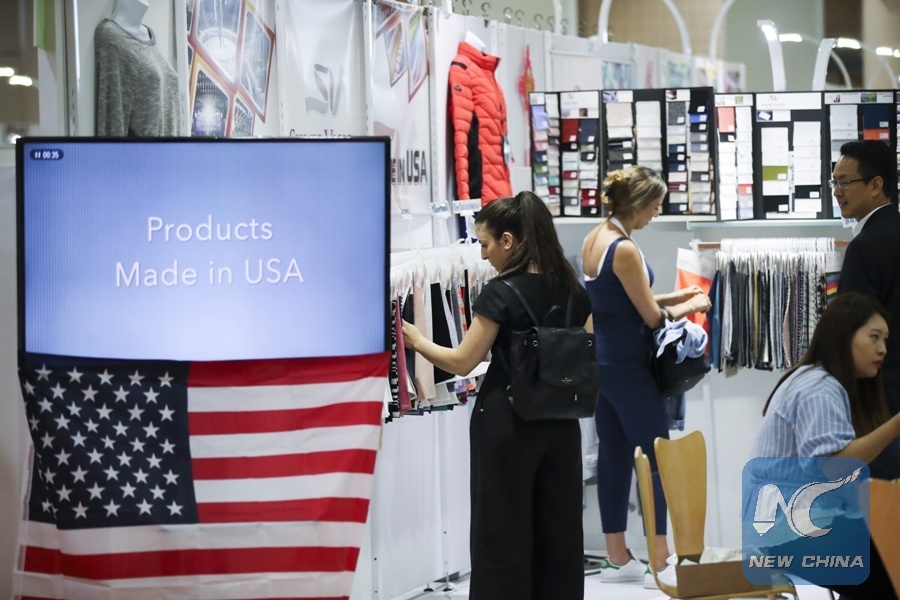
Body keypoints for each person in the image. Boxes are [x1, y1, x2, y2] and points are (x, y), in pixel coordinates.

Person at [402, 191, 591, 600]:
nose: (483, 255)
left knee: (500, 534)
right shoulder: (574, 290)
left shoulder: (500, 293)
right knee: (559, 534)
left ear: (508, 240)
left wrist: (417, 341)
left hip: (508, 424)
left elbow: (462, 362)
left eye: (485, 244)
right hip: (561, 426)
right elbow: (585, 354)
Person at [581, 165, 710, 588]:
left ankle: (617, 557)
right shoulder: (624, 248)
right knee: (657, 459)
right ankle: (660, 559)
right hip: (629, 367)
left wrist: (678, 295)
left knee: (615, 456)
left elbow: (624, 301)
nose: (656, 214)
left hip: (603, 364)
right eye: (654, 207)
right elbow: (652, 317)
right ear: (637, 204)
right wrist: (692, 307)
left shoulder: (596, 239)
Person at [749, 292, 900, 600]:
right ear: (844, 336)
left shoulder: (817, 380)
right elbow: (834, 468)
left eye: (885, 339)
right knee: (889, 562)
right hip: (787, 534)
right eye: (874, 337)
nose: (883, 348)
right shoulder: (820, 389)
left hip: (787, 526)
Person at [833, 140, 900, 480]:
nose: (837, 191)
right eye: (834, 182)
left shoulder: (866, 246)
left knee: (877, 503)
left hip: (877, 401)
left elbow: (852, 334)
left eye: (845, 182)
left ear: (876, 185)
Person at [95, 0, 184, 136]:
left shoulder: (149, 35)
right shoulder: (112, 37)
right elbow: (113, 116)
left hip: (173, 148)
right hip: (145, 149)